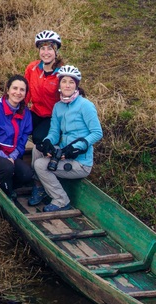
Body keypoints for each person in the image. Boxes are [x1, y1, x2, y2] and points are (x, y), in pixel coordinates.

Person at [28, 65, 103, 212]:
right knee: (37, 148)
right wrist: (48, 142)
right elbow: (54, 131)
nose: (67, 85)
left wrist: (76, 148)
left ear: (76, 85)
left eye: (71, 82)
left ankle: (61, 200)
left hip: (80, 161)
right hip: (63, 152)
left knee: (40, 165)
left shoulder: (85, 105)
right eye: (64, 82)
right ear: (59, 85)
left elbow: (97, 132)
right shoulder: (58, 107)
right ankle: (40, 186)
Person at [24, 30, 64, 145]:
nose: (45, 52)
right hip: (35, 112)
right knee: (17, 128)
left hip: (52, 116)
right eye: (42, 48)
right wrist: (20, 111)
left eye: (50, 48)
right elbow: (26, 93)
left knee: (38, 137)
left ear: (56, 51)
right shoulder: (32, 68)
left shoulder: (61, 74)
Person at [0, 75, 34, 197]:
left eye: (22, 90)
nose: (18, 93)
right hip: (0, 154)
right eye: (15, 88)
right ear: (7, 90)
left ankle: (6, 184)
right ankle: (7, 194)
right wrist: (4, 157)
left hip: (11, 155)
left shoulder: (25, 113)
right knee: (7, 168)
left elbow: (23, 138)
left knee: (26, 174)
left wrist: (13, 156)